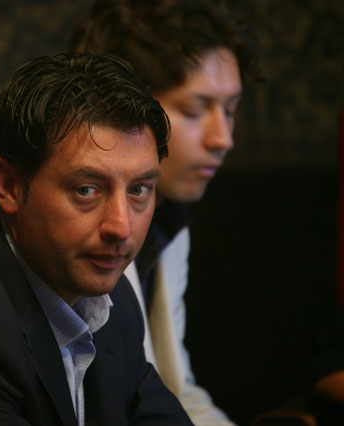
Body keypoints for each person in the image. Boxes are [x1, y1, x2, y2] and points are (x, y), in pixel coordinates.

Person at [0, 52, 193, 425]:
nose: (121, 227)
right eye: (86, 190)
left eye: (139, 190)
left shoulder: (115, 302)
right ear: (8, 185)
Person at [69, 0, 260, 424]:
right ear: (120, 105)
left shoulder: (168, 219)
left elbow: (175, 391)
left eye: (230, 110)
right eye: (195, 110)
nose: (223, 138)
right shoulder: (47, 226)